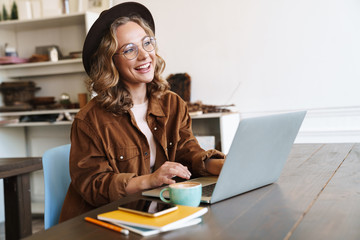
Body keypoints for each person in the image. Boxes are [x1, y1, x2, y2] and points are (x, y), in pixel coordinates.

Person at [59, 2, 225, 222]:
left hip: (156, 216)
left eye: (147, 43)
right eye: (129, 50)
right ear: (110, 61)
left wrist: (220, 166)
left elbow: (186, 152)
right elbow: (92, 184)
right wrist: (149, 180)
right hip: (102, 223)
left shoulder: (172, 104)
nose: (144, 55)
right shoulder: (89, 120)